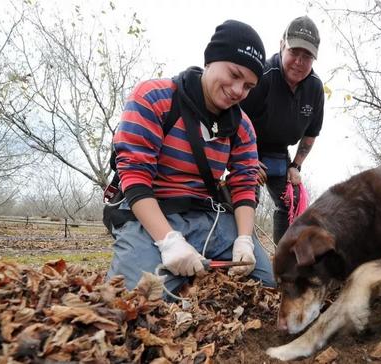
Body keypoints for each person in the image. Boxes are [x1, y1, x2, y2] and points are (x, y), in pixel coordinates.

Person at [106, 20, 275, 297]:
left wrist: (244, 239)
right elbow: (134, 175)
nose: (237, 90)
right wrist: (168, 240)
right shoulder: (154, 97)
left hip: (208, 216)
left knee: (265, 283)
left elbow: (244, 184)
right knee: (135, 298)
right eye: (233, 74)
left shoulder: (242, 126)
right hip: (151, 212)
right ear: (211, 60)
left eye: (248, 86)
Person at [240, 16, 325, 243]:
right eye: (294, 52)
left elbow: (311, 133)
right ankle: (240, 249)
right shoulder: (262, 76)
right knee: (246, 194)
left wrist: (295, 165)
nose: (299, 61)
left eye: (306, 56)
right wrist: (246, 159)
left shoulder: (315, 88)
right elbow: (233, 118)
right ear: (281, 46)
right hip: (248, 148)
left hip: (279, 153)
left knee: (293, 199)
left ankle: (284, 257)